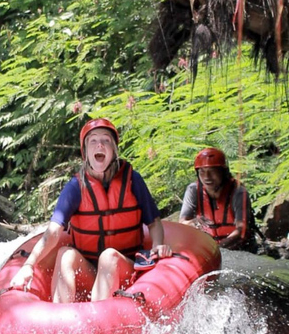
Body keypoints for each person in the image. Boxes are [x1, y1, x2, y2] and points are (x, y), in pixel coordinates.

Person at [10, 118, 172, 303]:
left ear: (114, 150)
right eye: (93, 141)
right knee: (65, 254)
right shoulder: (75, 187)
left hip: (123, 266)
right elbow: (53, 232)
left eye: (106, 140)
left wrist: (157, 245)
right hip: (88, 269)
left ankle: (99, 320)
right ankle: (62, 317)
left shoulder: (133, 180)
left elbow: (154, 222)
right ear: (85, 151)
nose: (99, 145)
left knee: (108, 256)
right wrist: (29, 264)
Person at [179, 147, 256, 251]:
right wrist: (193, 222)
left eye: (212, 171)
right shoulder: (193, 190)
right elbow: (182, 224)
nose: (207, 177)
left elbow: (242, 230)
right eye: (202, 171)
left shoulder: (238, 192)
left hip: (239, 250)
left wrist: (218, 250)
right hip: (210, 249)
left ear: (223, 172)